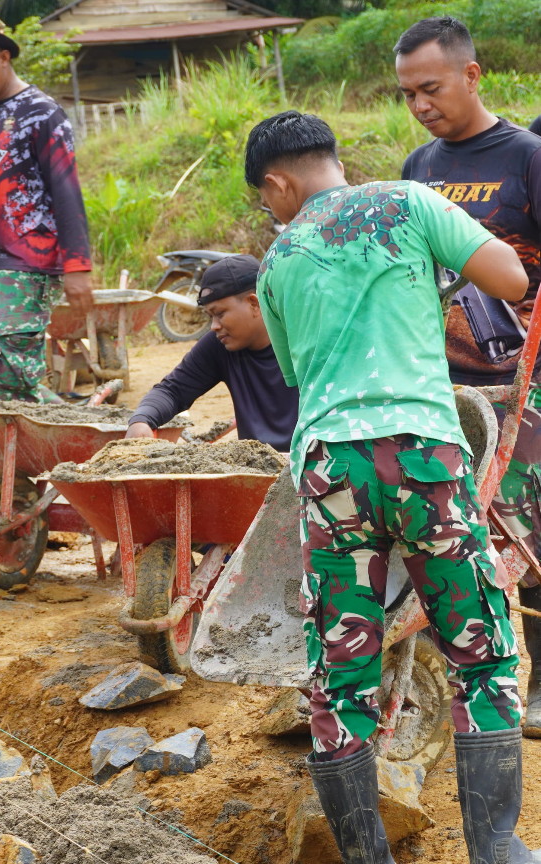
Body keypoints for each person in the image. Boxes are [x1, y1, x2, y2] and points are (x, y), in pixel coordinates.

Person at [247, 110, 536, 864]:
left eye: (263, 197)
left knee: (340, 670)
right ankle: (496, 847)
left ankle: (365, 857)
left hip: (328, 470)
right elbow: (510, 278)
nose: (269, 208)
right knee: (478, 651)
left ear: (277, 184)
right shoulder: (407, 203)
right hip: (422, 459)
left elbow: (296, 373)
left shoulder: (277, 258)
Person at [395, 16, 541, 740]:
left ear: (471, 74)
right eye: (407, 94)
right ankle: (439, 676)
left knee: (524, 523)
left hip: (522, 374)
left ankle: (538, 676)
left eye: (430, 88)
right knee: (435, 525)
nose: (420, 105)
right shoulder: (417, 169)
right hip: (436, 376)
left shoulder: (526, 157)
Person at [0, 14, 94, 403]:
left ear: (5, 57)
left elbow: (66, 191)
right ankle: (71, 423)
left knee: (12, 379)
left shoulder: (42, 113)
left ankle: (65, 443)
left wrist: (77, 266)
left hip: (28, 263)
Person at [125, 254, 298, 450]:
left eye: (220, 314)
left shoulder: (304, 339)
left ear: (254, 303)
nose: (214, 326)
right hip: (257, 471)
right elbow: (172, 391)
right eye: (210, 316)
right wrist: (142, 419)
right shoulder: (220, 346)